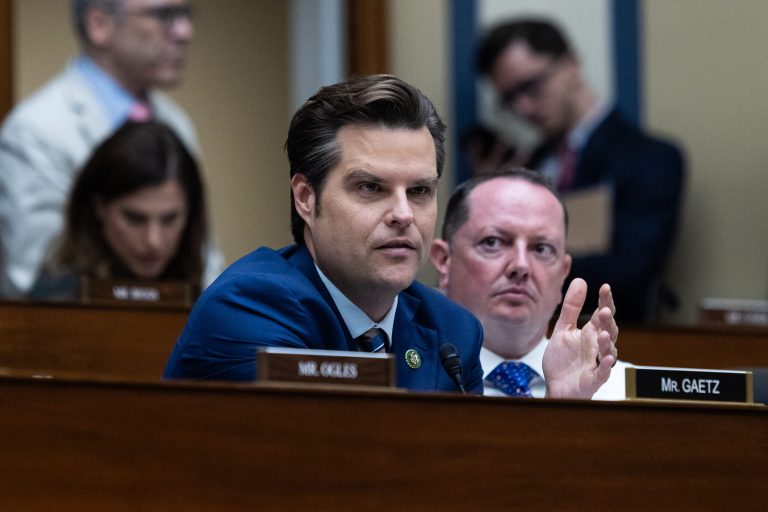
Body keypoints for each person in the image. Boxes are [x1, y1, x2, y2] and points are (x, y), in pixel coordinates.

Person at [163, 74, 617, 396]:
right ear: (306, 197)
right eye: (370, 188)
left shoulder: (451, 329)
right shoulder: (252, 307)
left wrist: (560, 412)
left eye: (419, 191)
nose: (403, 214)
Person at [475, 18, 685, 324]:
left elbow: (632, 272)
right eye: (510, 100)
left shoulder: (651, 158)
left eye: (530, 86)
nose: (523, 109)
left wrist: (529, 261)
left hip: (613, 340)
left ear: (571, 63)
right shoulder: (526, 166)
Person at [0, 0, 204, 298]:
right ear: (99, 25)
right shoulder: (35, 129)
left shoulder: (176, 123)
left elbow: (201, 257)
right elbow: (33, 283)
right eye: (164, 15)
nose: (186, 31)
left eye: (185, 15)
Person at [431, 167, 629, 399]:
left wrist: (571, 413)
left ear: (563, 273)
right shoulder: (403, 382)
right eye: (493, 242)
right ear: (444, 261)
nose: (521, 266)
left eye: (541, 248)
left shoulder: (626, 393)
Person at [29, 121, 210, 300]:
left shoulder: (210, 295)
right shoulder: (53, 299)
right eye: (135, 219)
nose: (153, 241)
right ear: (99, 206)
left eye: (169, 219)